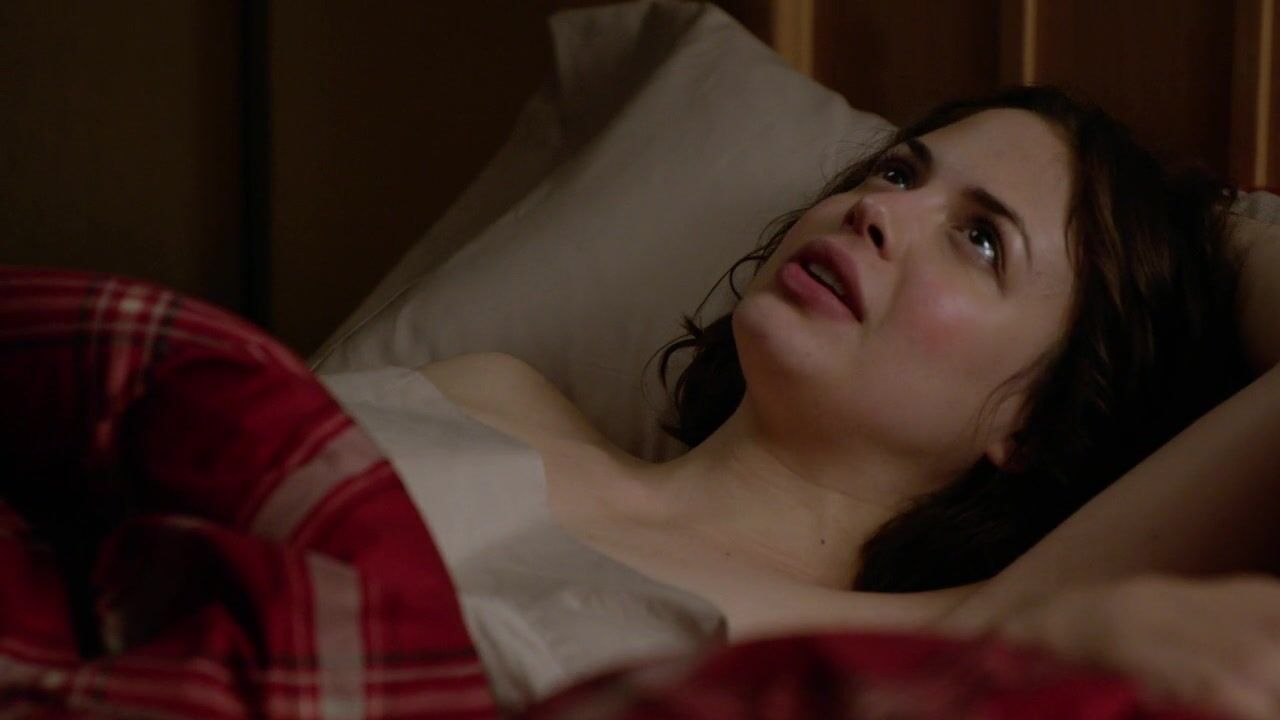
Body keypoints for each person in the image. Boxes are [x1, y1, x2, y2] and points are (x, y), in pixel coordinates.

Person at [419, 85, 1279, 714]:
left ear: (1041, 420)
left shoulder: (948, 639)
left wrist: (1209, 227)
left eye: (982, 240)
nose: (875, 209)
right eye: (900, 173)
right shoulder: (490, 390)